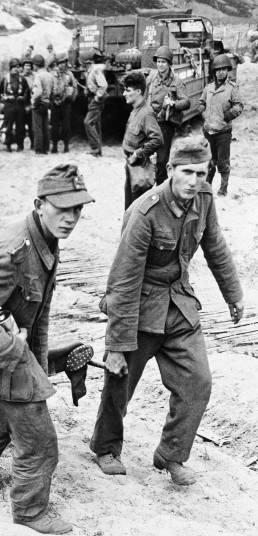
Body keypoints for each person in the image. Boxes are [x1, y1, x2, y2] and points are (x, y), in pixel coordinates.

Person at [0, 164, 94, 535]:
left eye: (78, 209)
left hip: (15, 360)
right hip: (0, 360)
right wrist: (13, 352)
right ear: (39, 204)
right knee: (40, 444)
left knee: (1, 423)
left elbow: (39, 313)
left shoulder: (45, 241)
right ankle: (30, 512)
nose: (71, 218)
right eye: (63, 209)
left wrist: (38, 367)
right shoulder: (16, 249)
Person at [90, 136, 244, 486]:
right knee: (120, 380)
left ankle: (172, 455)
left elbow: (214, 243)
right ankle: (105, 447)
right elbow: (123, 280)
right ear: (170, 170)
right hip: (139, 307)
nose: (194, 180)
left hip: (180, 305)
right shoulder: (145, 211)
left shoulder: (203, 197)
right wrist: (115, 345)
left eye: (201, 173)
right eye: (186, 172)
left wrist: (233, 294)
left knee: (197, 382)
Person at [197, 54, 243, 196]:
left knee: (223, 163)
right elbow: (201, 102)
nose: (220, 72)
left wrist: (227, 115)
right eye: (218, 69)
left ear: (228, 70)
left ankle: (223, 189)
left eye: (223, 69)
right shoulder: (208, 87)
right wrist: (202, 113)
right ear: (214, 71)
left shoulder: (232, 88)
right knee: (209, 161)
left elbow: (239, 106)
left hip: (223, 132)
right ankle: (207, 187)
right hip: (208, 131)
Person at [145, 46, 190, 185]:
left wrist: (173, 104)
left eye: (163, 62)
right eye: (158, 61)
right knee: (147, 155)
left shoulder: (176, 80)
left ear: (169, 63)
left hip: (166, 124)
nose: (160, 65)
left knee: (162, 159)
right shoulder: (152, 78)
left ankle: (161, 187)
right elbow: (145, 96)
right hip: (151, 121)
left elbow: (186, 102)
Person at [121, 72, 163, 209]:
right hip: (132, 166)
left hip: (141, 169)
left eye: (128, 90)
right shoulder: (135, 111)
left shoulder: (146, 114)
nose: (124, 94)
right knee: (129, 208)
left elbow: (157, 139)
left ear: (138, 91)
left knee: (138, 211)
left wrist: (137, 154)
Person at [0, 58, 30, 152]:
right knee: (8, 126)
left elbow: (27, 92)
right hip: (9, 105)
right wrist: (1, 102)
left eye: (18, 67)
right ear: (10, 68)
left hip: (19, 105)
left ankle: (20, 145)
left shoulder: (22, 79)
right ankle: (8, 144)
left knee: (20, 126)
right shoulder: (5, 79)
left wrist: (26, 104)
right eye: (14, 67)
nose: (16, 69)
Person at [49, 53, 77, 154]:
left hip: (66, 103)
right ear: (57, 64)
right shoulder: (52, 74)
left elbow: (74, 87)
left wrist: (71, 98)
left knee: (66, 126)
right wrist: (52, 99)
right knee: (54, 126)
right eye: (60, 63)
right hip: (54, 103)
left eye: (64, 63)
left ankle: (66, 146)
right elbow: (49, 88)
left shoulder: (69, 75)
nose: (62, 65)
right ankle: (55, 146)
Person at [84, 48, 108, 157]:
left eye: (86, 63)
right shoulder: (90, 71)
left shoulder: (95, 71)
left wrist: (98, 97)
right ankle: (98, 150)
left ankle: (95, 148)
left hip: (96, 99)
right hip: (92, 98)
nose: (85, 65)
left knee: (88, 122)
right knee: (96, 123)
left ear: (89, 62)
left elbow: (103, 85)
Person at [31, 55, 52, 154]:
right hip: (47, 102)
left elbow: (38, 92)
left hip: (39, 103)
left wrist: (34, 103)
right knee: (45, 126)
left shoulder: (38, 76)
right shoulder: (49, 75)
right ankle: (46, 148)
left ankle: (39, 149)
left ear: (36, 65)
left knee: (38, 127)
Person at [21, 58, 35, 149]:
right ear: (23, 67)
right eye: (26, 66)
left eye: (29, 66)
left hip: (31, 103)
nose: (28, 68)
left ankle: (33, 144)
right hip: (21, 104)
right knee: (21, 125)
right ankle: (21, 144)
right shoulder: (20, 77)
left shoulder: (34, 77)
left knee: (31, 126)